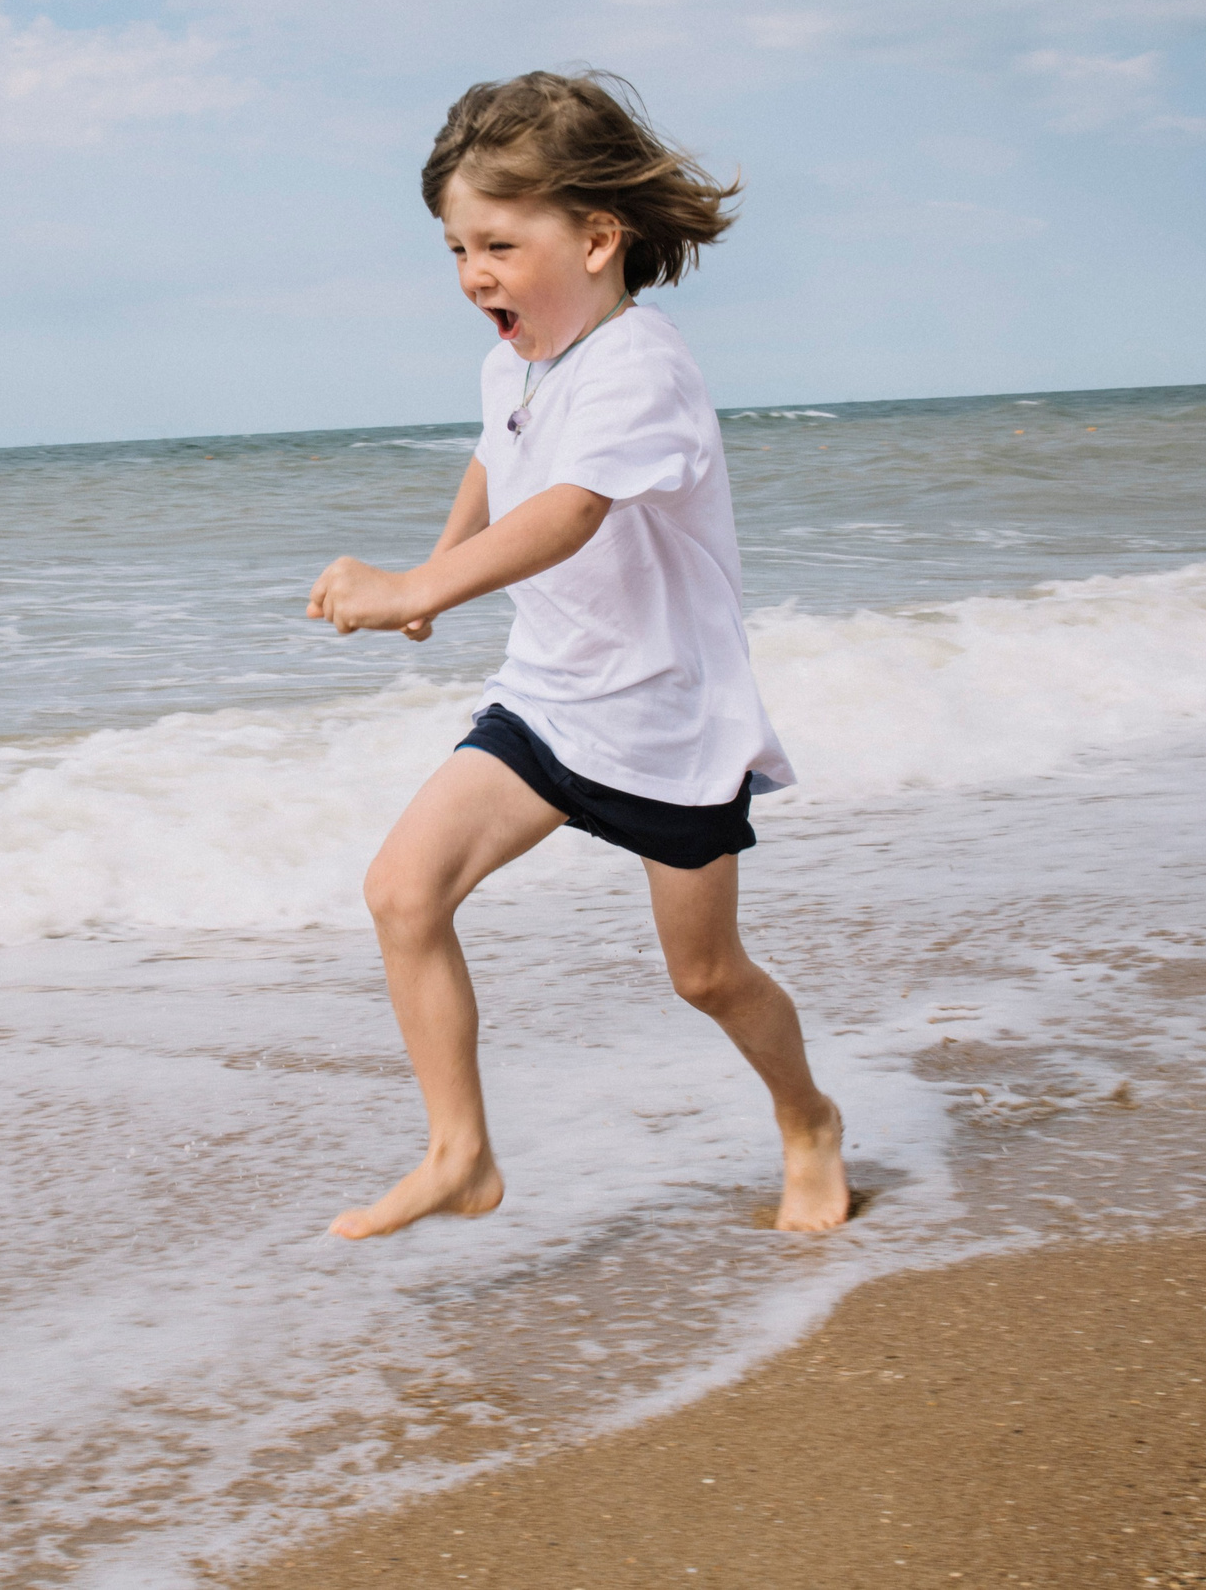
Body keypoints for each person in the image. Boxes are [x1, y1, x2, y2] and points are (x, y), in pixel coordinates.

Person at [305, 69, 850, 1240]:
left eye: (497, 243)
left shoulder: (643, 367)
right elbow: (498, 463)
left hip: (664, 720)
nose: (472, 277)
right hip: (549, 699)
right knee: (403, 892)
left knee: (704, 975)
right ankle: (461, 1154)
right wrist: (435, 575)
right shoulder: (517, 360)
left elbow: (568, 513)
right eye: (455, 249)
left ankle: (808, 1120)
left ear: (598, 237)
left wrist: (412, 585)